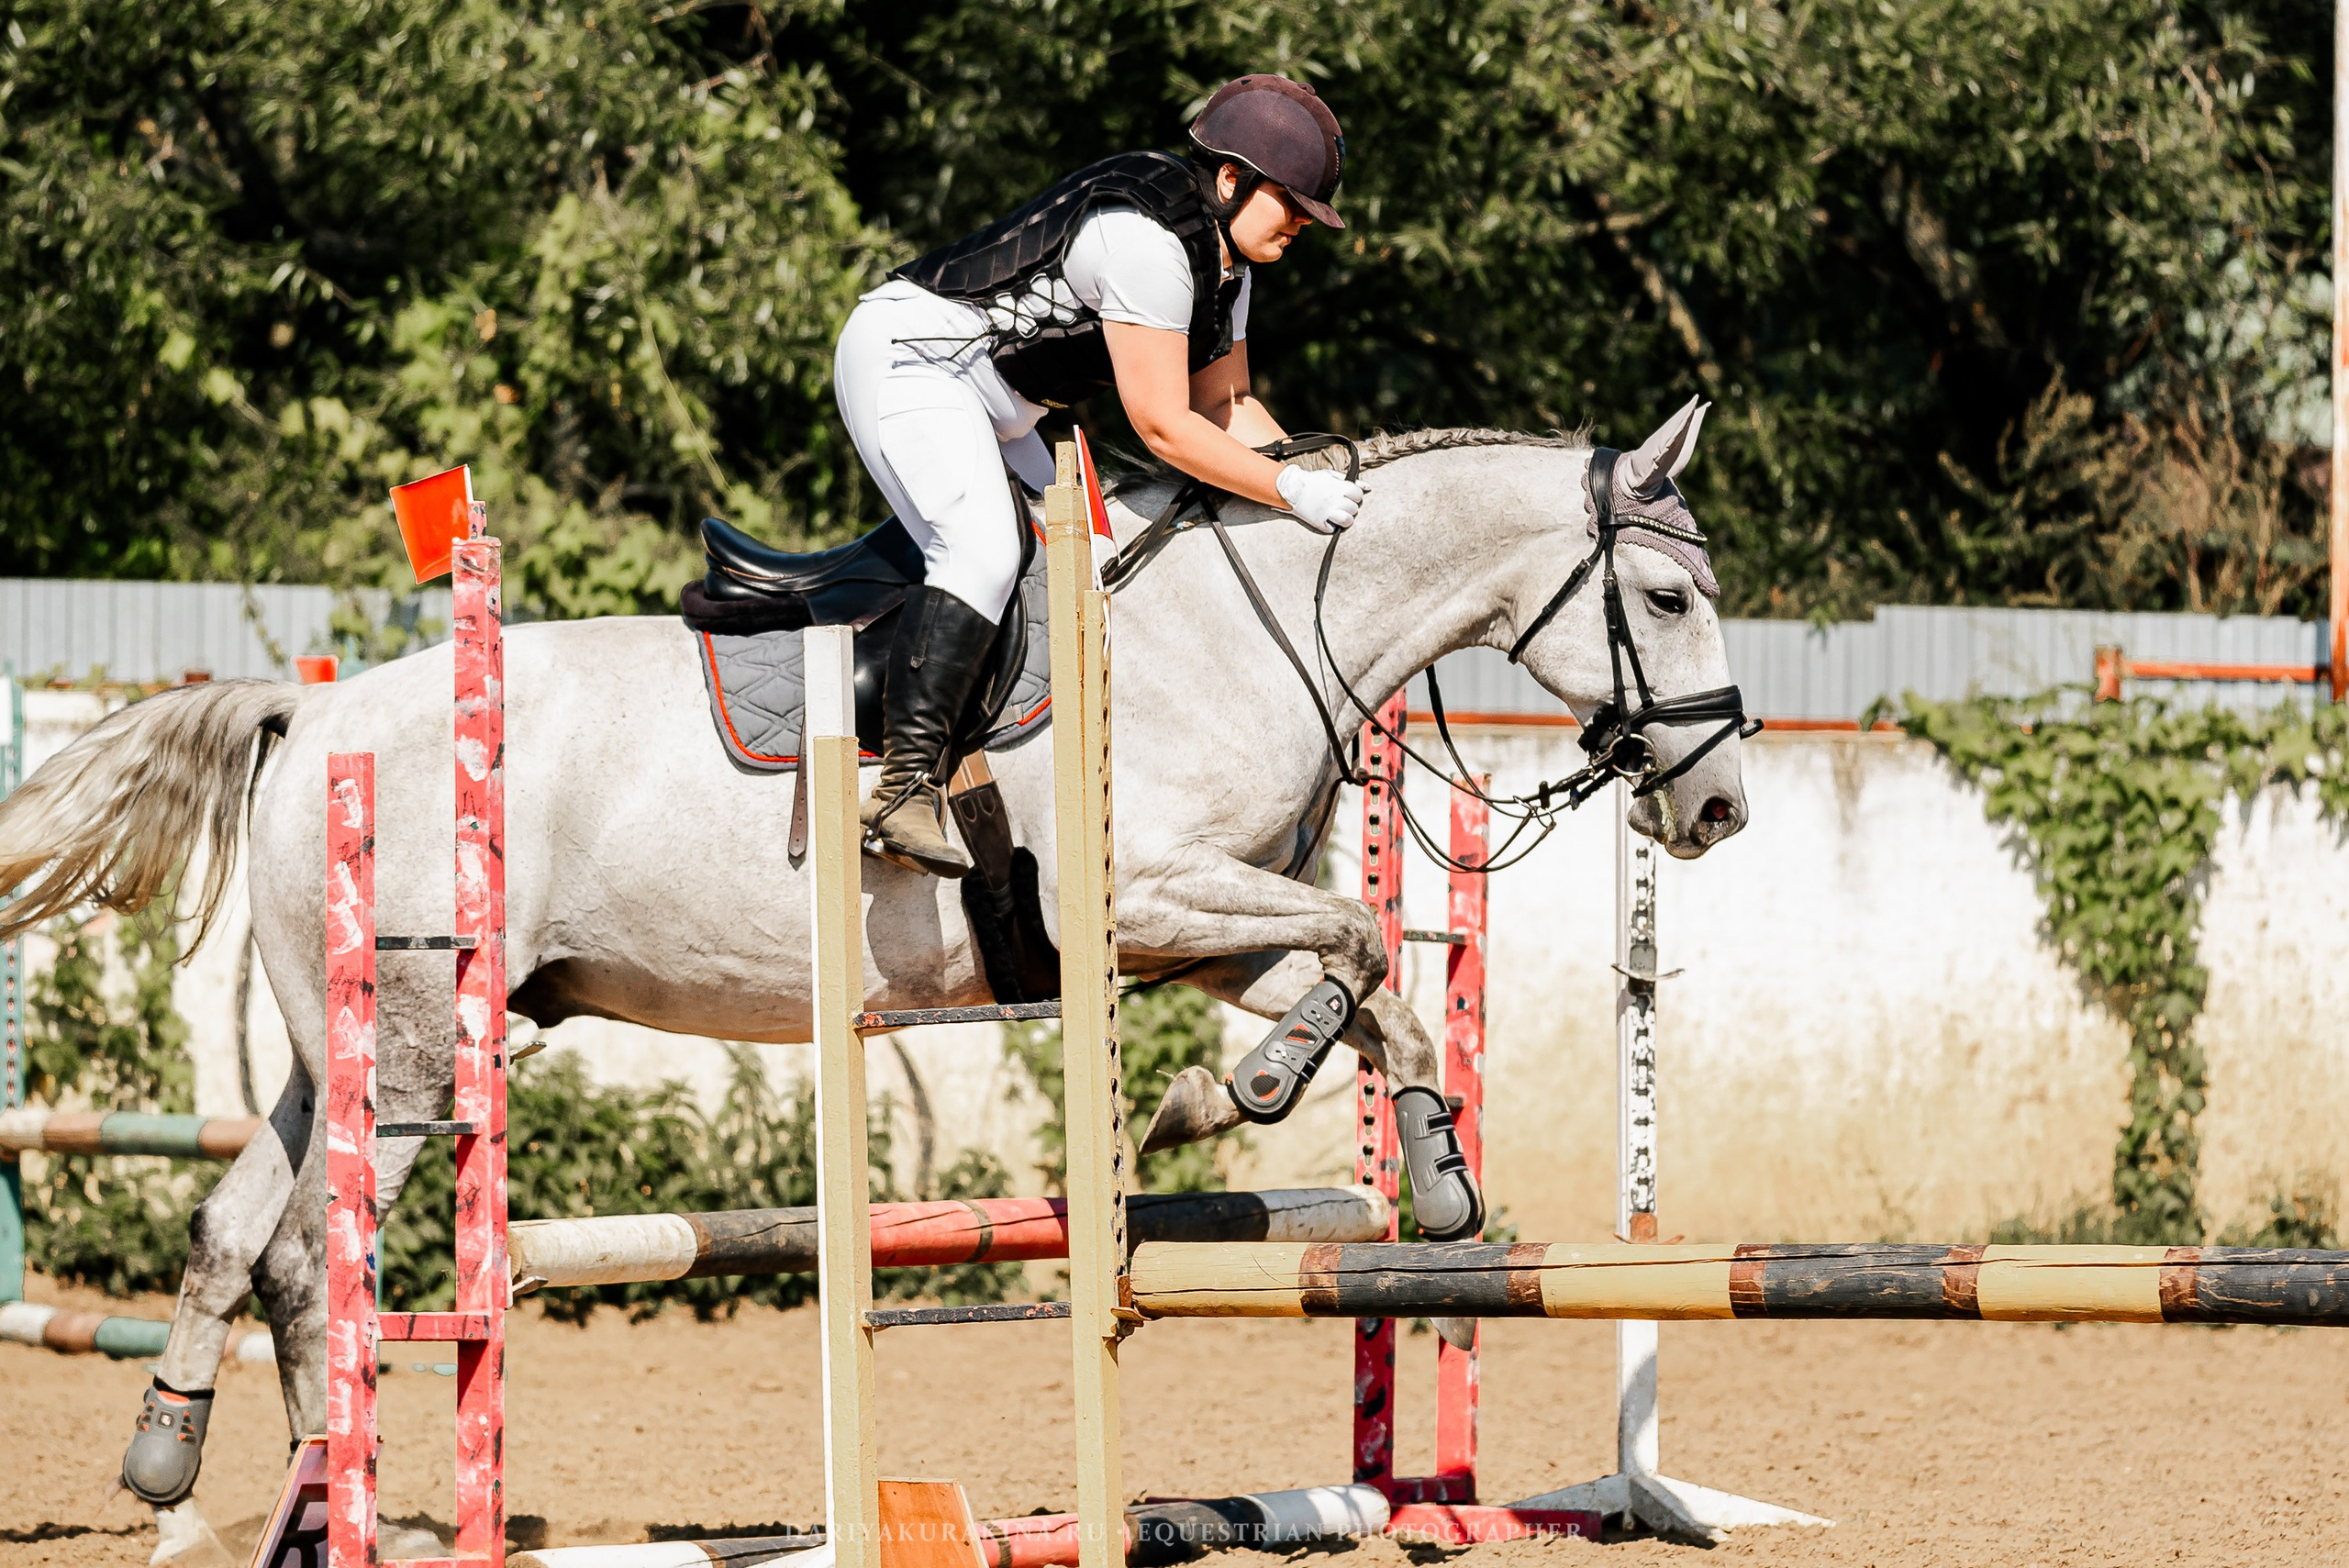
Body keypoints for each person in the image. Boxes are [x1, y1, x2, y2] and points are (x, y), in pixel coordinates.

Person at [834, 73, 1365, 878]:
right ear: (1230, 180)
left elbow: (1228, 404)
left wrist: (1321, 476)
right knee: (981, 552)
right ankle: (901, 788)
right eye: (1291, 203)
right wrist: (1289, 492)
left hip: (1002, 402)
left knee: (1087, 570)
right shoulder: (1147, 243)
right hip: (913, 363)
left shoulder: (1230, 268)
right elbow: (1164, 427)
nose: (1301, 224)